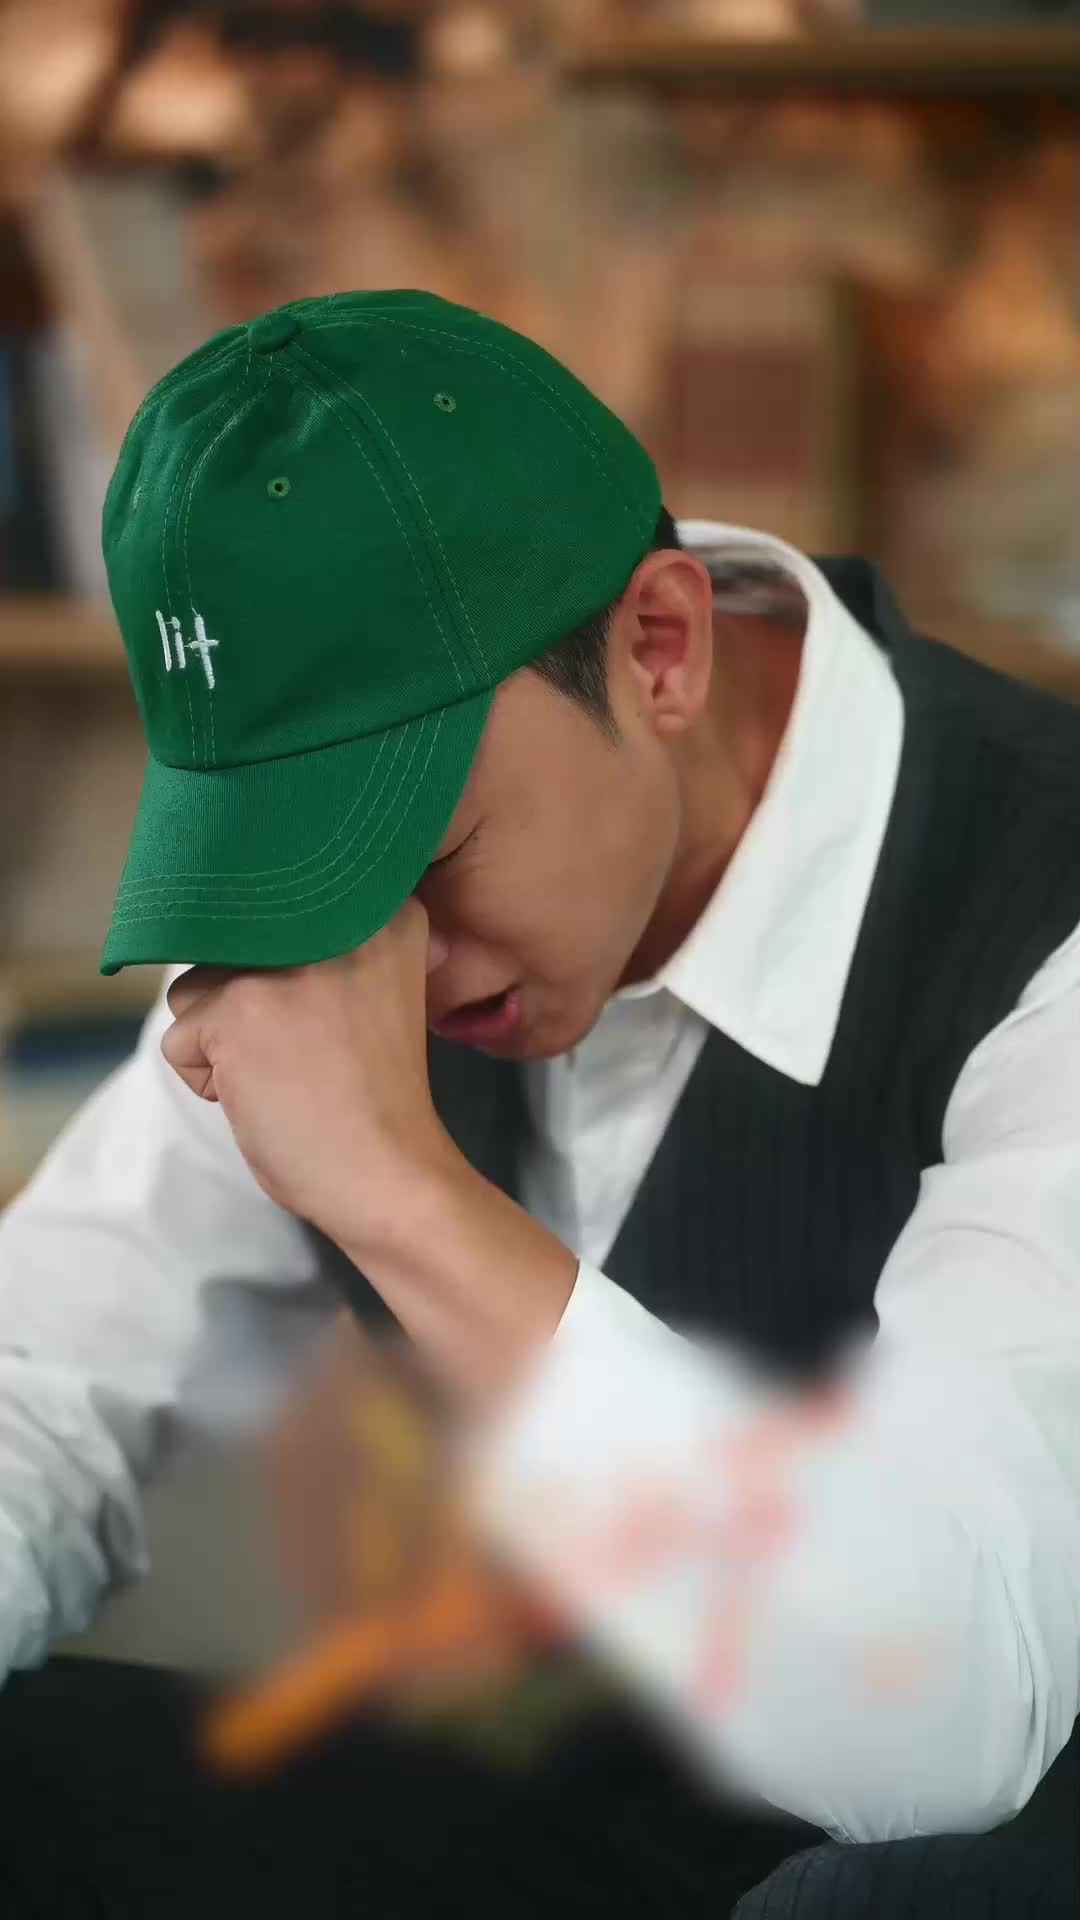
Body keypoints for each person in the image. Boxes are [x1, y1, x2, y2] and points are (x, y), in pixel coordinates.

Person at [0, 289, 1078, 1918]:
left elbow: (945, 1724)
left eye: (421, 853)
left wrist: (402, 1195)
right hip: (582, 1812)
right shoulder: (349, 932)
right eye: (293, 871)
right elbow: (45, 1385)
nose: (391, 961)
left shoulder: (1047, 922)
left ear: (658, 649)